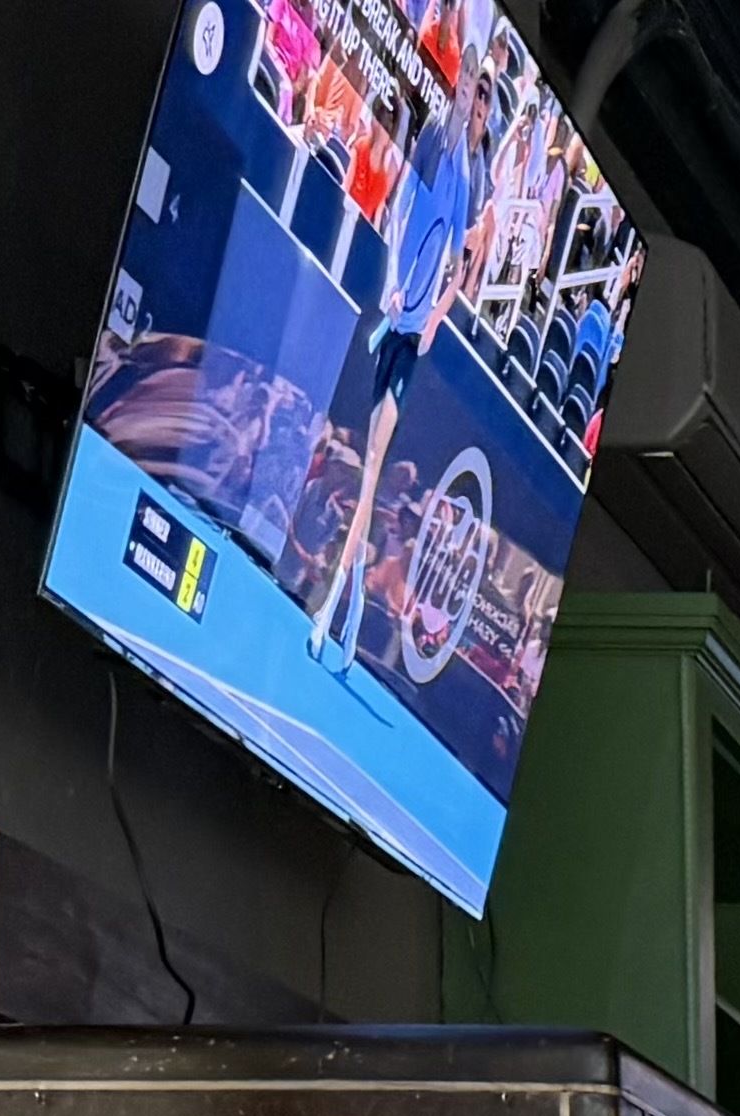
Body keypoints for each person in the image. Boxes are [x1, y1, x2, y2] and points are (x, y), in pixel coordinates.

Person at [308, 36, 494, 669]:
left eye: (478, 98)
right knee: (365, 468)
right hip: (391, 316)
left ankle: (338, 607)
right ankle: (348, 604)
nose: (469, 102)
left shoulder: (468, 174)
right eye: (465, 88)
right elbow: (400, 214)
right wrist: (392, 282)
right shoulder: (435, 141)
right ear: (457, 90)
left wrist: (435, 318)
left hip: (411, 338)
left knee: (372, 466)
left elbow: (457, 267)